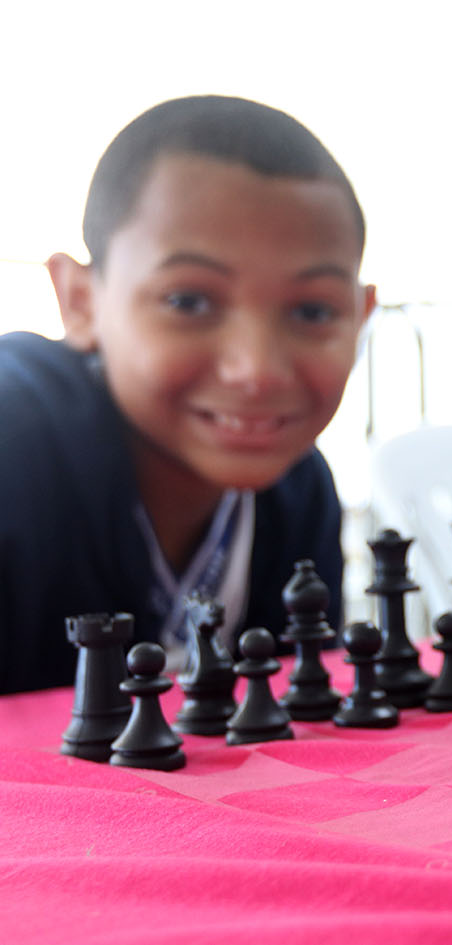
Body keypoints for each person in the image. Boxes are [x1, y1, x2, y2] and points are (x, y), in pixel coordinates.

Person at [0, 96, 375, 694]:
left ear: (361, 316)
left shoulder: (301, 491)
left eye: (312, 310)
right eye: (188, 301)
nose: (257, 372)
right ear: (80, 300)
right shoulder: (12, 449)